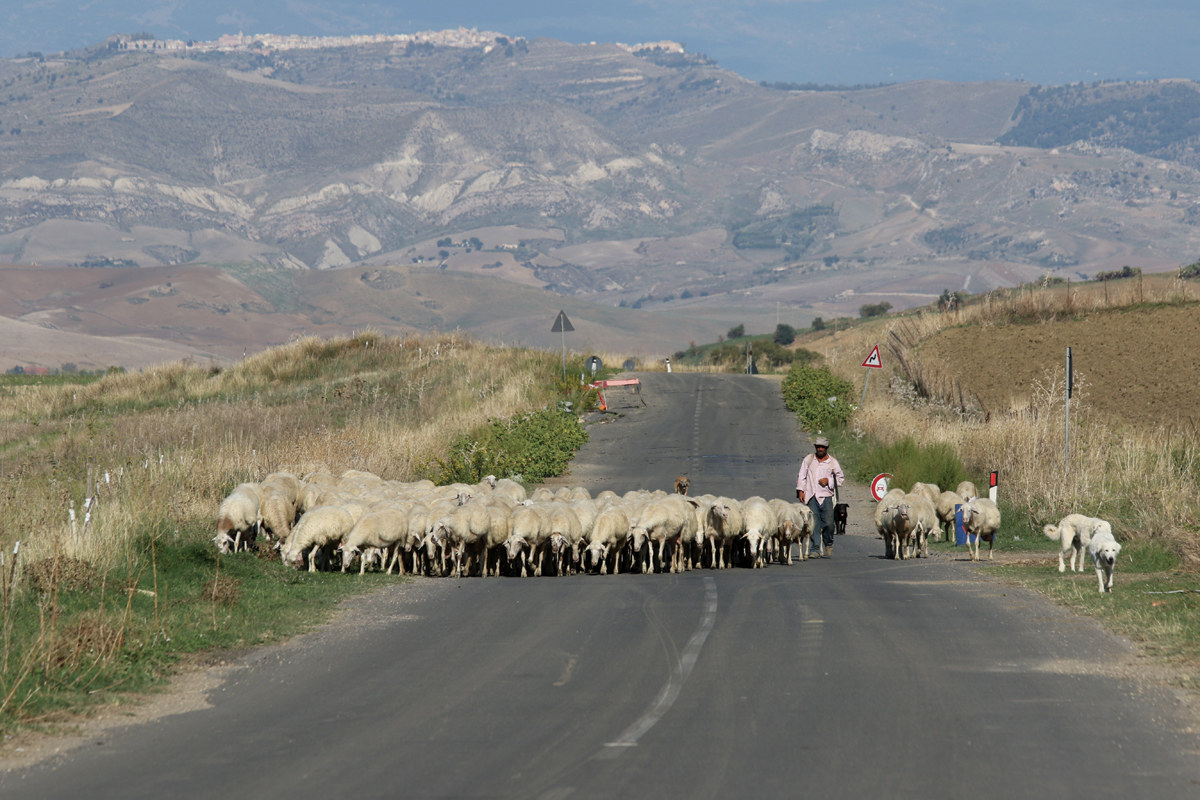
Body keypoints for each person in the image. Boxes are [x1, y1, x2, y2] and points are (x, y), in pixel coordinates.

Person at [796, 436, 844, 557]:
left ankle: (828, 542)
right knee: (814, 523)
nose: (820, 449)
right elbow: (802, 475)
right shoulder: (809, 459)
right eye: (818, 447)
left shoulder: (832, 462)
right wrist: (801, 491)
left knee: (828, 523)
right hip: (811, 495)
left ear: (827, 448)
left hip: (826, 496)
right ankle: (815, 549)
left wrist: (828, 481)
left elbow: (840, 479)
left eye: (822, 447)